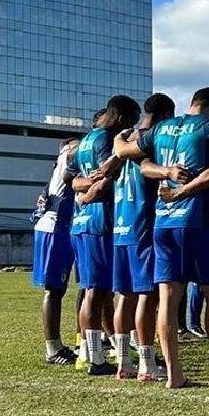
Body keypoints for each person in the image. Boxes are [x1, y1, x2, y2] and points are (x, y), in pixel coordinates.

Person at [114, 87, 209, 389]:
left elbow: (130, 156)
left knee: (168, 300)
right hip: (198, 221)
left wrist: (123, 139)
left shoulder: (161, 128)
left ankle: (174, 374)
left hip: (163, 223)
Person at [71, 96, 141, 377]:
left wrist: (83, 194)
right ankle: (96, 360)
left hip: (82, 223)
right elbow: (105, 176)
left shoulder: (85, 140)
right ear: (122, 119)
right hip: (102, 222)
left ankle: (93, 354)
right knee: (97, 292)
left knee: (93, 290)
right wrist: (92, 193)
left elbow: (73, 179)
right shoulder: (106, 141)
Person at [111, 93, 175, 382]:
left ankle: (124, 361)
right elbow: (150, 170)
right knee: (147, 296)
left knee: (124, 296)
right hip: (143, 226)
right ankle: (148, 363)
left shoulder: (125, 139)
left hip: (121, 227)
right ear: (165, 115)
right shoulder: (149, 139)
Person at [31, 138, 81, 365]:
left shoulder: (64, 159)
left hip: (60, 226)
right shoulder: (70, 154)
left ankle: (59, 345)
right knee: (54, 289)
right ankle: (52, 348)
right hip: (54, 226)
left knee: (59, 289)